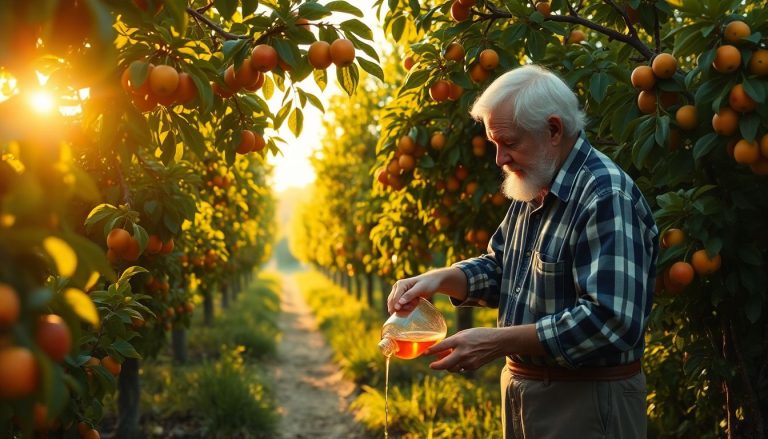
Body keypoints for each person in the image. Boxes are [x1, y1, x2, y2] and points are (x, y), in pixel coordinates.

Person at [387, 64, 658, 439]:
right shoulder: (535, 183)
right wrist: (441, 279)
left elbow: (610, 321)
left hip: (586, 402)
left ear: (553, 130)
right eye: (495, 143)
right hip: (526, 392)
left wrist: (497, 341)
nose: (499, 158)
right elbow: (504, 269)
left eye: (509, 142)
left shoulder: (604, 196)